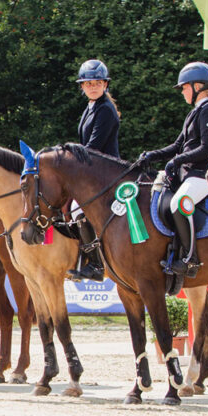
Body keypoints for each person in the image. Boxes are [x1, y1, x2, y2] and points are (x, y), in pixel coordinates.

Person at [138, 62, 208, 277]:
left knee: (178, 204)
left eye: (184, 87)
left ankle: (190, 260)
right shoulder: (194, 113)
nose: (182, 91)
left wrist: (177, 161)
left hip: (202, 175)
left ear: (198, 87)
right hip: (188, 174)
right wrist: (151, 155)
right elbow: (177, 146)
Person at [67, 59, 120, 282]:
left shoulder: (106, 110)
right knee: (71, 208)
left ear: (105, 85)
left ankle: (97, 265)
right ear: (82, 87)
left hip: (106, 174)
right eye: (88, 83)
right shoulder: (91, 107)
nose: (92, 87)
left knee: (78, 210)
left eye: (97, 82)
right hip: (93, 171)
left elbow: (94, 147)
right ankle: (81, 257)